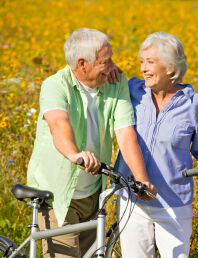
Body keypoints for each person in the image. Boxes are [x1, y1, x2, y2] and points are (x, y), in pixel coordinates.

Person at [115, 32, 198, 258]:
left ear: (170, 67)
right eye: (142, 62)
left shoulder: (192, 104)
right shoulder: (132, 91)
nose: (143, 69)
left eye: (150, 62)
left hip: (173, 204)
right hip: (133, 200)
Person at [27, 28, 157, 258]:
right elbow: (58, 124)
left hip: (93, 195)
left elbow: (126, 134)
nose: (112, 66)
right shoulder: (55, 85)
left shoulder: (114, 82)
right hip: (58, 195)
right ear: (82, 64)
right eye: (105, 61)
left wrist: (142, 179)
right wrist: (75, 154)